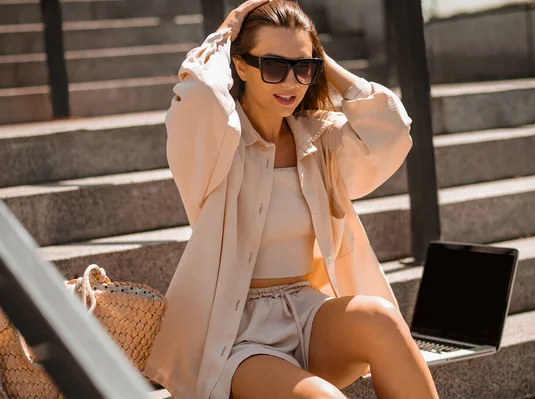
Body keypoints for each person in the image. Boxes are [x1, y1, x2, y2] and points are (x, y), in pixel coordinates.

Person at [145, 1, 440, 398]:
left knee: (383, 318)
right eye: (273, 66)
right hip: (238, 335)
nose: (290, 82)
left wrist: (321, 61)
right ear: (242, 66)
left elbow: (391, 129)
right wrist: (225, 31)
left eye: (302, 68)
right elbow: (199, 96)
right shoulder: (215, 146)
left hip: (309, 314)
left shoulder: (319, 140)